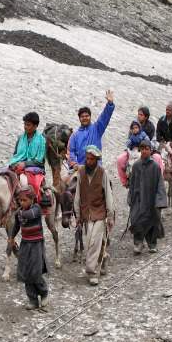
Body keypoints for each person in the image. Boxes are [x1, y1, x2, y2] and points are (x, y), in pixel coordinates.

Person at [77, 145, 114, 284]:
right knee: (90, 242)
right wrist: (77, 214)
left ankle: (92, 272)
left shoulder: (102, 173)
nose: (88, 161)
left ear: (96, 160)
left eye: (91, 159)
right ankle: (104, 257)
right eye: (87, 159)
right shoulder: (81, 172)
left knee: (93, 242)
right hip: (87, 213)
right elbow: (77, 196)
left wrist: (110, 215)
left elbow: (109, 196)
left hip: (99, 212)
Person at [10, 187, 49, 310]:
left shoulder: (36, 208)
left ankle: (44, 293)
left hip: (37, 243)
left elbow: (30, 215)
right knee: (26, 272)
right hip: (25, 243)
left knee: (35, 272)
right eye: (20, 200)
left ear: (32, 199)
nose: (22, 203)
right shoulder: (19, 212)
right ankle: (32, 300)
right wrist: (11, 237)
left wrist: (17, 212)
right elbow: (16, 226)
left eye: (25, 200)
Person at [127, 139, 162, 254]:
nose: (144, 151)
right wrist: (130, 198)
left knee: (152, 220)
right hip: (138, 198)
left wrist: (159, 201)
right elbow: (132, 184)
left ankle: (152, 244)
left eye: (147, 149)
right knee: (136, 219)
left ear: (151, 150)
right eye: (142, 149)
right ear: (140, 150)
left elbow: (160, 185)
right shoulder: (136, 166)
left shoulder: (156, 167)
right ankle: (138, 243)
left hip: (151, 199)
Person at [67, 90, 115, 167]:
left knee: (104, 178)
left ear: (90, 117)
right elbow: (71, 152)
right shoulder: (74, 136)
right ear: (79, 118)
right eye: (82, 117)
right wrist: (74, 164)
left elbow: (105, 116)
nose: (85, 118)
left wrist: (110, 104)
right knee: (67, 178)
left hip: (97, 166)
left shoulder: (97, 128)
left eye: (87, 116)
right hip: (80, 167)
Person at [8, 111, 47, 194]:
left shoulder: (42, 140)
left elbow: (40, 161)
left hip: (35, 167)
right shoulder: (20, 138)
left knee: (31, 186)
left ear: (35, 126)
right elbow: (15, 155)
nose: (25, 127)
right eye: (25, 124)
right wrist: (16, 164)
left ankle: (34, 202)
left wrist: (25, 164)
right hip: (18, 165)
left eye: (28, 125)